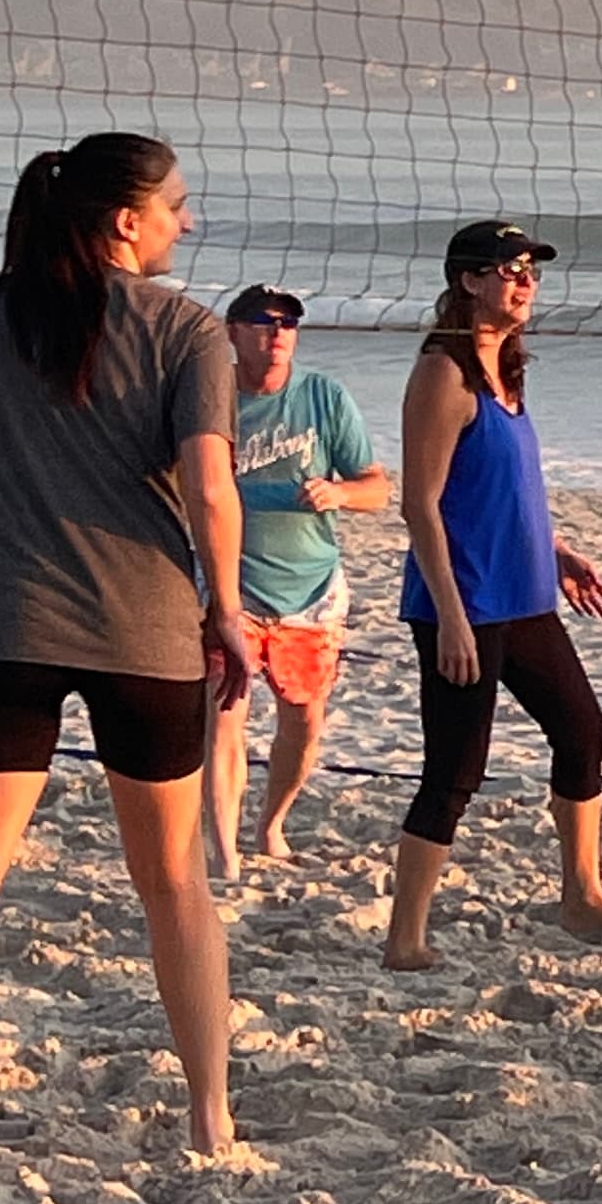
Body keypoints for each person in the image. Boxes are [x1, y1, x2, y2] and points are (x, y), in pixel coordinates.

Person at [0, 132, 253, 1188]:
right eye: (175, 205)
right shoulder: (185, 330)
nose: (186, 222)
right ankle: (210, 1122)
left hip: (4, 633)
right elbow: (212, 490)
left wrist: (1, 538)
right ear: (127, 219)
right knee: (175, 885)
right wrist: (229, 611)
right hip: (147, 631)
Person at [385, 219, 602, 968]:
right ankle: (405, 939)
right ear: (470, 280)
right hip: (464, 604)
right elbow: (421, 504)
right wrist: (448, 616)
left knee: (583, 732)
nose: (526, 280)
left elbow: (505, 491)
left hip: (526, 594)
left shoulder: (508, 369)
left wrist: (559, 551)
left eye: (532, 268)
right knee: (455, 770)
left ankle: (581, 895)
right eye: (510, 268)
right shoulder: (444, 372)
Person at [203, 284, 392, 871]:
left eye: (289, 323)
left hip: (310, 591)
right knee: (224, 715)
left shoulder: (323, 397)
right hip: (230, 587)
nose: (278, 333)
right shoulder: (208, 398)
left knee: (303, 722)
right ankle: (223, 851)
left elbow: (378, 489)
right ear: (233, 332)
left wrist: (338, 492)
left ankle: (272, 826)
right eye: (263, 322)